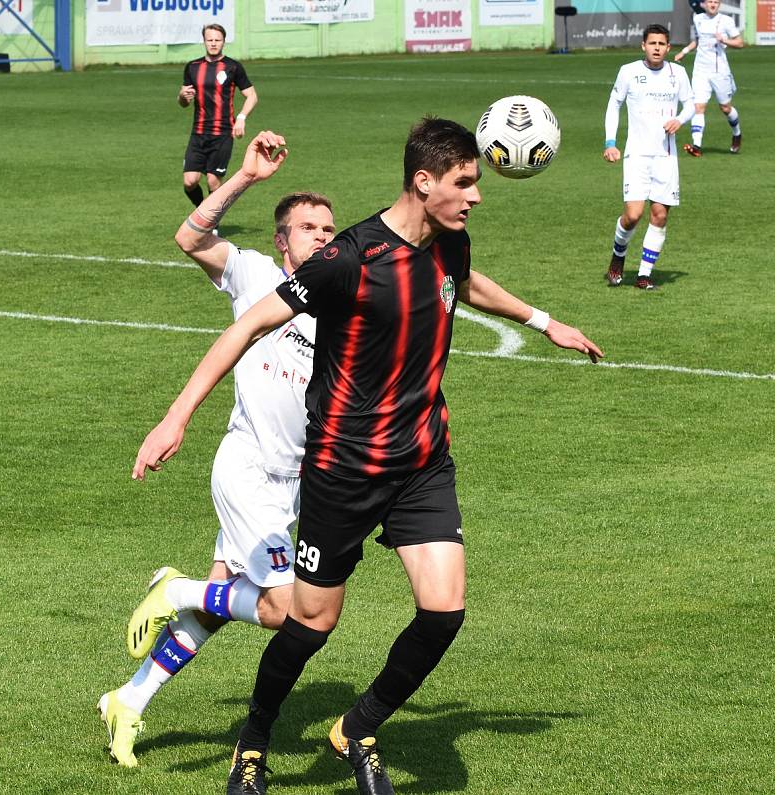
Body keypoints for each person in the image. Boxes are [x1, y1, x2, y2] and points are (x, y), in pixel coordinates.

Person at [131, 118, 604, 795]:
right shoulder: (349, 257)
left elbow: (463, 281)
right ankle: (254, 741)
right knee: (311, 621)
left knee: (444, 611)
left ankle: (357, 726)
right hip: (343, 469)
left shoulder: (450, 242)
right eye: (464, 183)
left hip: (421, 461)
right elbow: (249, 322)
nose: (476, 195)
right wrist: (175, 416)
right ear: (423, 180)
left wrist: (543, 321)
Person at [97, 131, 335, 768]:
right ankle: (172, 590)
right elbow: (190, 239)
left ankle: (128, 699)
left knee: (224, 602)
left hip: (295, 485)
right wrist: (246, 179)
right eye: (309, 227)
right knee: (288, 609)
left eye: (329, 228)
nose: (322, 236)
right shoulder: (256, 272)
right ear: (283, 240)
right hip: (247, 468)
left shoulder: (336, 301)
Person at [604, 24, 695, 291]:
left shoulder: (677, 73)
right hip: (637, 155)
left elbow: (691, 103)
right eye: (652, 43)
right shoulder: (629, 72)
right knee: (633, 215)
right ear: (643, 45)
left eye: (662, 44)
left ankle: (644, 274)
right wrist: (611, 142)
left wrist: (680, 119)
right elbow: (614, 105)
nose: (657, 48)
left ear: (669, 48)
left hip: (666, 157)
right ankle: (618, 254)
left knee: (659, 215)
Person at [179, 24, 258, 212]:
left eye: (217, 40)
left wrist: (241, 118)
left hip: (222, 133)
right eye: (210, 40)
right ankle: (202, 212)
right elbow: (184, 101)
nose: (213, 44)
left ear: (223, 41)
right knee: (190, 181)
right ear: (204, 41)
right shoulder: (193, 67)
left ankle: (211, 223)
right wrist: (182, 97)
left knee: (214, 182)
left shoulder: (233, 67)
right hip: (198, 132)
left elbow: (252, 95)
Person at [674, 0, 744, 156]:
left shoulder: (726, 21)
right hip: (700, 71)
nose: (713, 4)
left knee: (725, 108)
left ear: (719, 4)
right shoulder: (697, 18)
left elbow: (740, 43)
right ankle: (696, 146)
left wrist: (724, 40)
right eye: (710, 1)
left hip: (720, 72)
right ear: (704, 4)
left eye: (716, 2)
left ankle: (737, 134)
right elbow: (698, 40)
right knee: (698, 107)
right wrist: (684, 52)